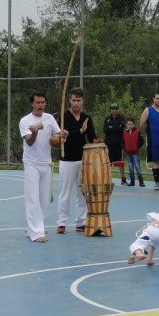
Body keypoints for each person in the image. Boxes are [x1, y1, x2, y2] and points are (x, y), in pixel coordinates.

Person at [19, 91, 65, 243]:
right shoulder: (25, 121)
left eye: (42, 102)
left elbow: (58, 136)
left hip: (46, 162)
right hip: (31, 162)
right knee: (32, 197)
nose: (40, 105)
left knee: (44, 199)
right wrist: (35, 132)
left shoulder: (49, 118)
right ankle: (36, 233)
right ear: (32, 104)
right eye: (37, 103)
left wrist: (63, 135)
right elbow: (30, 142)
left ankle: (35, 227)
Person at [57, 87, 96, 234]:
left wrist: (97, 140)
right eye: (73, 100)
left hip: (82, 159)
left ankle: (81, 222)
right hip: (66, 160)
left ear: (83, 101)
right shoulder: (64, 116)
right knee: (64, 192)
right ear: (69, 100)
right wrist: (79, 131)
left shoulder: (87, 117)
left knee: (82, 192)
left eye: (79, 100)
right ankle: (61, 222)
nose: (76, 103)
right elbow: (63, 135)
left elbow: (91, 136)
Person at [103, 102, 126, 185]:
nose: (114, 111)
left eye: (116, 109)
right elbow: (105, 130)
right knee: (108, 162)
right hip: (108, 144)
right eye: (113, 109)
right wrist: (114, 127)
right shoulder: (107, 119)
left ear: (118, 110)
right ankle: (107, 179)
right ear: (111, 110)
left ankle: (123, 178)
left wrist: (111, 127)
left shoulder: (122, 119)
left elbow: (120, 128)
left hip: (118, 144)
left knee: (120, 162)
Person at [122, 117, 145, 187]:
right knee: (130, 168)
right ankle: (132, 182)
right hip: (128, 153)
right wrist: (124, 147)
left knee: (137, 167)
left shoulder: (137, 131)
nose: (130, 126)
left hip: (135, 153)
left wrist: (137, 146)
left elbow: (142, 141)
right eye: (128, 124)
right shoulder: (124, 132)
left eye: (131, 124)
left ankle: (141, 182)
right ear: (126, 125)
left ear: (134, 125)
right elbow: (122, 142)